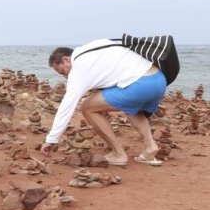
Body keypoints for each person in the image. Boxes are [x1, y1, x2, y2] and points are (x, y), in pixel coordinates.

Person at [40, 38, 168, 166]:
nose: (66, 77)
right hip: (159, 80)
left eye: (63, 72)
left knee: (87, 107)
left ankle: (118, 154)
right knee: (132, 108)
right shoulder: (97, 44)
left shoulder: (78, 68)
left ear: (66, 59)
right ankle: (151, 148)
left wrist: (51, 139)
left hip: (139, 86)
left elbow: (67, 105)